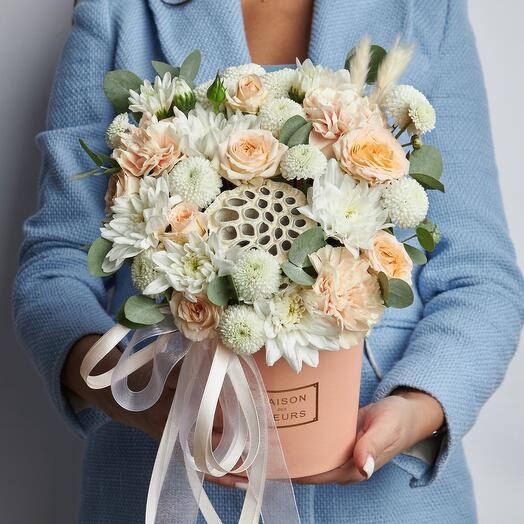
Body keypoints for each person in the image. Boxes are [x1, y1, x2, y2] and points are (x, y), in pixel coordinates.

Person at [12, 0, 524, 522]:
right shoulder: (120, 11)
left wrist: (417, 406)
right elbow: (55, 268)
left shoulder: (425, 10)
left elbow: (479, 278)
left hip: (390, 504)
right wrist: (135, 394)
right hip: (162, 485)